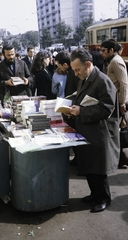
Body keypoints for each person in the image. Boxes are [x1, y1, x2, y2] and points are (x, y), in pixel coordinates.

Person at [66, 48, 120, 213]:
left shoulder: (102, 81)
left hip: (99, 132)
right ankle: (94, 194)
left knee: (98, 168)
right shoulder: (85, 77)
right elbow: (81, 97)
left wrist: (81, 111)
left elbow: (106, 109)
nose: (76, 74)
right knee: (88, 165)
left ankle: (104, 198)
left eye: (78, 70)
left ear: (88, 64)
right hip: (87, 129)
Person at [101, 39, 128, 168]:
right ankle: (121, 158)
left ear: (111, 50)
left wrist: (122, 103)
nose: (101, 53)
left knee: (116, 131)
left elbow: (124, 84)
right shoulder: (112, 61)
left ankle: (121, 159)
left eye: (103, 51)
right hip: (114, 101)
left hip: (118, 102)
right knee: (114, 130)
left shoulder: (116, 62)